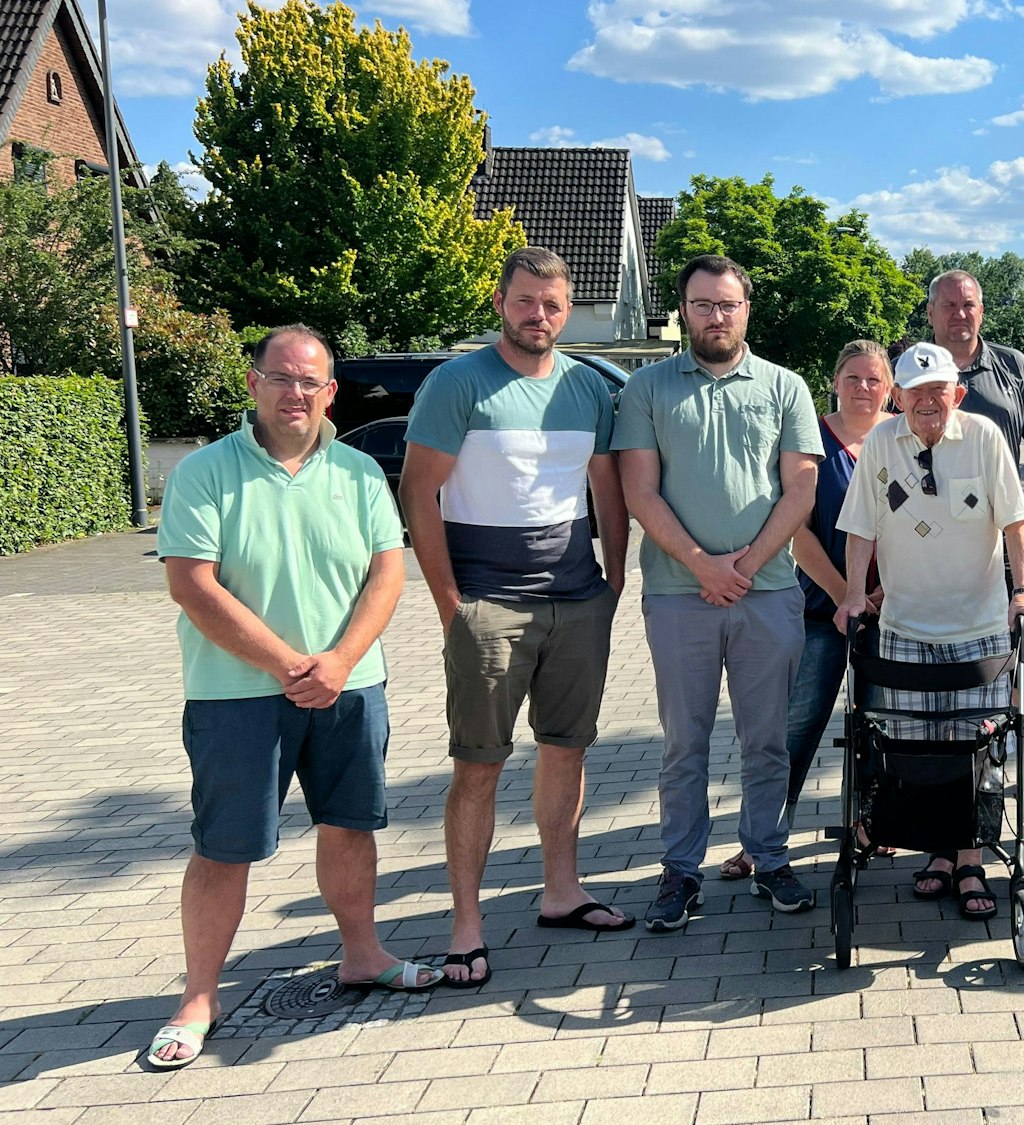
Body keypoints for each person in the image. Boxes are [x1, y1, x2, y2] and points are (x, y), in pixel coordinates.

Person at [150, 326, 438, 1068]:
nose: (295, 392)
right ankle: (200, 995)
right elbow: (192, 584)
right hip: (236, 694)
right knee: (226, 845)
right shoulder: (204, 471)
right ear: (253, 384)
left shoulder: (357, 473)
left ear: (331, 392)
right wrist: (288, 665)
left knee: (350, 825)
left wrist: (340, 661)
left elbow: (386, 574)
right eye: (281, 377)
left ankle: (362, 954)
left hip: (351, 686)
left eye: (310, 381)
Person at [401, 246, 633, 988]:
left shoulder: (588, 388)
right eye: (527, 301)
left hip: (576, 601)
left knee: (567, 751)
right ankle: (465, 923)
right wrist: (451, 606)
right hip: (489, 606)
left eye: (553, 304)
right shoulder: (457, 382)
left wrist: (612, 581)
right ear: (500, 301)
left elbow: (608, 491)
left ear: (568, 311)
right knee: (479, 766)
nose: (540, 315)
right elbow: (418, 496)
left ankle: (561, 893)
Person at [615, 254, 823, 930]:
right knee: (685, 743)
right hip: (680, 594)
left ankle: (769, 856)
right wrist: (704, 565)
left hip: (767, 595)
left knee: (768, 742)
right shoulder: (647, 389)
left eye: (727, 304)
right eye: (702, 304)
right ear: (684, 311)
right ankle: (680, 870)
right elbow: (638, 490)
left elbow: (801, 488)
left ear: (746, 310)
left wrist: (746, 564)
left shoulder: (785, 387)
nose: (715, 316)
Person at [834, 342, 1024, 920]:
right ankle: (937, 854)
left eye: (940, 392)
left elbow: (1015, 521)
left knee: (974, 746)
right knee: (917, 747)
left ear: (958, 393)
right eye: (916, 393)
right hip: (904, 627)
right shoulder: (881, 441)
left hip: (978, 628)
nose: (929, 402)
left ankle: (971, 858)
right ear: (898, 397)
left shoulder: (983, 437)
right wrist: (854, 594)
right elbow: (859, 527)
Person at [719, 340, 893, 880]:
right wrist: (848, 593)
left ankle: (873, 823)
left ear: (890, 388)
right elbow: (796, 531)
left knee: (882, 722)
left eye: (874, 380)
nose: (864, 388)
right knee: (794, 726)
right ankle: (761, 840)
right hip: (820, 608)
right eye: (853, 378)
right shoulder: (810, 438)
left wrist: (885, 592)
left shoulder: (902, 438)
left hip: (892, 611)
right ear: (834, 382)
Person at [925, 270, 1024, 797]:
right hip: (934, 548)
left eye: (968, 304)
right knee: (960, 659)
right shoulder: (915, 370)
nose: (959, 314)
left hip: (1011, 538)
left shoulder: (1012, 368)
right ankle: (961, 763)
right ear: (931, 313)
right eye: (948, 305)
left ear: (982, 310)